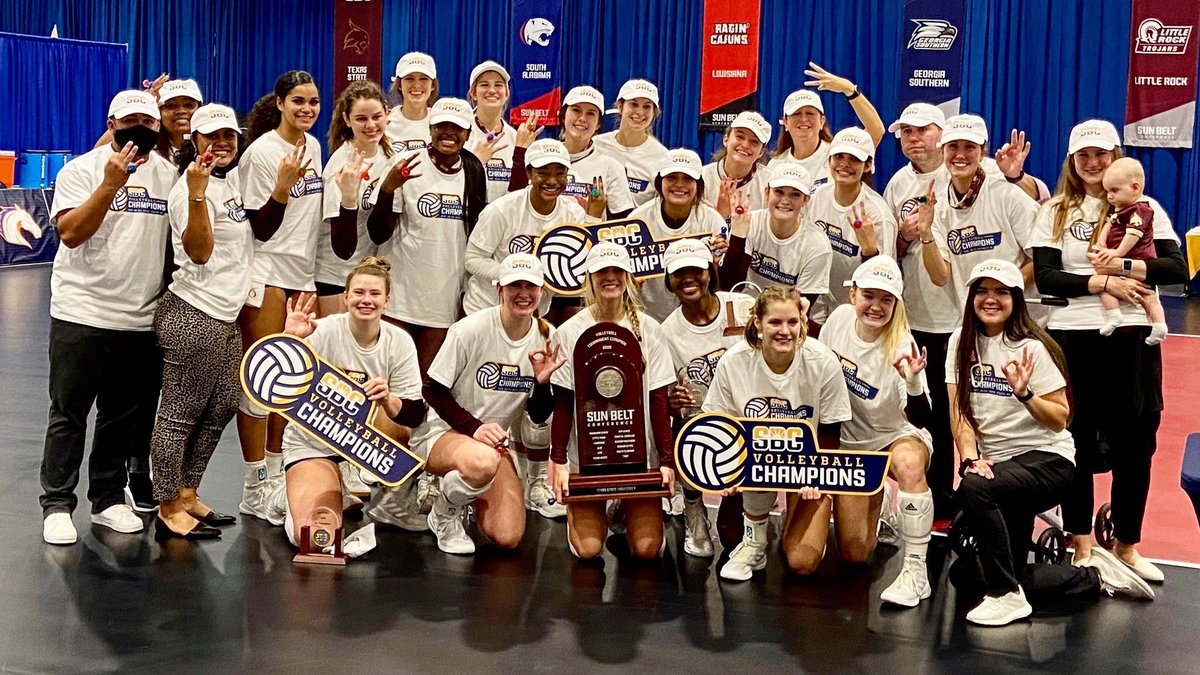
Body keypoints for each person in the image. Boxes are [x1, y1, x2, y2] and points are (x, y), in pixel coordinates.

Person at [948, 259, 1153, 626]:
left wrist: (1025, 394)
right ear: (971, 297)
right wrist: (968, 459)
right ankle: (1092, 576)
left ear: (1016, 299)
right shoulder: (960, 343)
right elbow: (959, 413)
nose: (990, 299)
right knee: (965, 575)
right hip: (999, 466)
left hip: (1048, 463)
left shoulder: (1031, 347)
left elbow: (1061, 418)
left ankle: (1006, 596)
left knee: (977, 489)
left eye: (1001, 292)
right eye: (982, 291)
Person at [1031, 119, 1187, 583]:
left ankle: (1126, 546)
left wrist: (1123, 265)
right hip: (1073, 336)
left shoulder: (1147, 209)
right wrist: (1100, 282)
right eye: (1084, 157)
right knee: (1074, 439)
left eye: (1101, 155)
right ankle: (1080, 543)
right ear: (1072, 162)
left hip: (1133, 337)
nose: (1094, 164)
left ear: (1116, 155)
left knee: (1135, 443)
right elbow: (1047, 277)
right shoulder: (1057, 211)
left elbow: (1176, 269)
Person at [882, 103, 1036, 521]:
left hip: (1004, 325)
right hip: (954, 323)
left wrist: (1006, 294)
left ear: (982, 149)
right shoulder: (939, 203)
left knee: (1000, 410)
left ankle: (1006, 494)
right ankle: (959, 495)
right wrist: (928, 234)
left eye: (968, 147)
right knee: (950, 410)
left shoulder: (1004, 191)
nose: (959, 155)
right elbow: (939, 276)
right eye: (954, 148)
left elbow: (1043, 251)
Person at [39, 90, 177, 545]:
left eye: (148, 121)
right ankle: (58, 503)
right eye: (130, 119)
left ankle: (107, 499)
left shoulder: (169, 176)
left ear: (158, 128)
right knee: (69, 412)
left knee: (121, 416)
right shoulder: (80, 170)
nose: (140, 127)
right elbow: (71, 234)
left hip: (138, 319)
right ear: (112, 122)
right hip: (81, 312)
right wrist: (110, 184)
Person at [407, 254, 565, 553]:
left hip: (494, 444)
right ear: (499, 290)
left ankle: (462, 491)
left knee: (508, 536)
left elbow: (538, 415)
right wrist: (475, 428)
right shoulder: (470, 329)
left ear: (541, 291)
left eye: (530, 286)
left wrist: (542, 384)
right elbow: (431, 390)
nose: (523, 294)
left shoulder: (547, 336)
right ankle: (443, 513)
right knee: (481, 462)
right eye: (514, 286)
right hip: (443, 434)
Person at [151, 103, 258, 539]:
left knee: (220, 408)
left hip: (226, 316)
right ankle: (167, 503)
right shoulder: (189, 189)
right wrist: (196, 194)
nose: (222, 143)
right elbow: (199, 252)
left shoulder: (227, 181)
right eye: (211, 136)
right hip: (194, 313)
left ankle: (189, 491)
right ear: (194, 140)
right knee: (179, 415)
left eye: (229, 136)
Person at [277, 258, 427, 549]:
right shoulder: (319, 330)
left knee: (414, 429)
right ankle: (295, 494)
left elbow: (415, 414)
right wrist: (290, 341)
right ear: (345, 298)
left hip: (365, 442)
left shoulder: (400, 342)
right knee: (314, 540)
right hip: (314, 442)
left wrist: (389, 400)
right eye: (358, 293)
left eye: (374, 294)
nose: (366, 300)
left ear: (387, 300)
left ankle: (392, 498)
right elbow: (280, 388)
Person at [704, 286, 852, 581]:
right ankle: (755, 544)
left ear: (802, 322)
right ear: (758, 322)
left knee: (802, 562)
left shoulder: (822, 361)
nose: (785, 331)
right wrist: (726, 471)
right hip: (756, 458)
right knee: (729, 535)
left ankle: (793, 518)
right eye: (775, 322)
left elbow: (830, 431)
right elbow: (719, 425)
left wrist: (817, 474)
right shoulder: (734, 361)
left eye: (792, 322)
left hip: (806, 460)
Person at [817, 256, 935, 607]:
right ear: (852, 295)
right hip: (852, 444)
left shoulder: (903, 344)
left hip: (894, 436)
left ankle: (916, 569)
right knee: (855, 553)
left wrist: (913, 381)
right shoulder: (837, 322)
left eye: (887, 300)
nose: (876, 306)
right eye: (869, 296)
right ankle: (880, 502)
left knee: (911, 464)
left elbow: (922, 417)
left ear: (897, 304)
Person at [548, 243, 677, 560]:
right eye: (601, 272)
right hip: (587, 459)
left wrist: (666, 461)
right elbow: (563, 403)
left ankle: (622, 504)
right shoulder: (569, 331)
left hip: (637, 457)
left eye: (617, 271)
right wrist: (560, 461)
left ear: (628, 277)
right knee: (589, 550)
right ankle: (594, 510)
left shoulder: (650, 329)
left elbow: (658, 398)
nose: (610, 278)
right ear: (589, 279)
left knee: (648, 550)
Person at [236, 70, 324, 520]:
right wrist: (282, 188)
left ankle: (276, 475)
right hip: (266, 275)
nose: (306, 109)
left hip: (302, 277)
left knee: (289, 388)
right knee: (258, 383)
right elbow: (260, 227)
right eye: (298, 101)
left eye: (313, 102)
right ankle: (253, 485)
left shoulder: (315, 148)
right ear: (280, 103)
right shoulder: (261, 153)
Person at [367, 97, 488, 373]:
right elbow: (377, 233)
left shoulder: (473, 170)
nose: (449, 133)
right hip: (398, 299)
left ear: (468, 134)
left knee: (425, 388)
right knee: (387, 382)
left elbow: (474, 236)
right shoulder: (405, 163)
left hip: (443, 301)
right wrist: (387, 190)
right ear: (430, 128)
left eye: (457, 127)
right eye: (442, 125)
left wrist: (464, 293)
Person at [660, 239, 754, 556]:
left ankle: (758, 517)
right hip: (703, 425)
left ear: (710, 272)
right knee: (681, 427)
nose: (689, 279)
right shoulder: (667, 332)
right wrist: (673, 401)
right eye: (679, 273)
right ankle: (693, 507)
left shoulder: (741, 307)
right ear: (669, 280)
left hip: (750, 416)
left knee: (731, 536)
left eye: (696, 271)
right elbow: (666, 392)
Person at [316, 80, 395, 318]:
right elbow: (342, 248)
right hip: (335, 276)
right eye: (361, 119)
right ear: (347, 120)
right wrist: (349, 199)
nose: (371, 125)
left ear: (386, 114)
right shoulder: (340, 166)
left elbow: (381, 230)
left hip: (369, 274)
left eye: (376, 117)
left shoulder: (387, 156)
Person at [805, 127, 897, 325]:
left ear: (868, 165)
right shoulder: (818, 196)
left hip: (858, 317)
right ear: (829, 160)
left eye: (854, 159)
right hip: (816, 311)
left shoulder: (878, 215)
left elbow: (885, 281)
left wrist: (870, 251)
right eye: (839, 156)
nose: (844, 164)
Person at [507, 86, 635, 219]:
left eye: (591, 113)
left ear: (598, 124)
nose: (582, 118)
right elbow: (514, 201)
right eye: (576, 110)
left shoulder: (611, 167)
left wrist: (592, 218)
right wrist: (521, 151)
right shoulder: (540, 155)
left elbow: (621, 224)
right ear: (562, 116)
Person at [630, 148, 726, 321]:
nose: (680, 184)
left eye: (688, 178)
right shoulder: (637, 221)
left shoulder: (713, 221)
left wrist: (717, 265)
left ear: (699, 184)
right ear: (660, 182)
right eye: (672, 177)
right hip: (646, 317)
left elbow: (719, 285)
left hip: (698, 318)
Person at [721, 162, 831, 310]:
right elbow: (729, 286)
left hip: (789, 317)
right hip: (747, 307)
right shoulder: (750, 222)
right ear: (766, 193)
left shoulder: (817, 246)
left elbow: (801, 309)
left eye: (795, 194)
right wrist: (738, 237)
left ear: (806, 200)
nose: (785, 200)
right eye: (779, 192)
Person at [767, 63, 885, 191]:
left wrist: (849, 89)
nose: (804, 119)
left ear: (822, 121)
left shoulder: (838, 154)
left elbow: (876, 130)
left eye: (810, 113)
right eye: (796, 113)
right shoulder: (776, 165)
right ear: (785, 122)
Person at [1093, 157, 1167, 343]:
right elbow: (1108, 226)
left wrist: (1117, 253)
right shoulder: (1120, 208)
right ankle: (1114, 316)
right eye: (1107, 191)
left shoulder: (1142, 210)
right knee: (1105, 288)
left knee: (1148, 296)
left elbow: (1133, 234)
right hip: (1118, 263)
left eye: (1114, 191)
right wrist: (1101, 243)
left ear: (1135, 188)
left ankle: (1159, 326)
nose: (1109, 196)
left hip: (1138, 259)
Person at [593, 79, 671, 207]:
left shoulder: (662, 158)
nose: (640, 112)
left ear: (654, 113)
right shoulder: (597, 145)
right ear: (620, 107)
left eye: (647, 106)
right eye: (633, 104)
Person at [701, 110, 774, 218]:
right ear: (726, 140)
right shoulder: (701, 178)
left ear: (761, 152)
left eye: (754, 142)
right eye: (740, 137)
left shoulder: (770, 183)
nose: (745, 145)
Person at [467, 60, 518, 203]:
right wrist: (476, 162)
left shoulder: (515, 139)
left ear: (507, 93)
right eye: (484, 85)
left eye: (498, 85)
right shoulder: (460, 132)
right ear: (473, 93)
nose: (492, 90)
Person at [386, 52, 438, 153]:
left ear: (432, 86)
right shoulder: (386, 123)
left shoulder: (442, 122)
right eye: (409, 78)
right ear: (399, 85)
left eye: (424, 79)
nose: (417, 85)